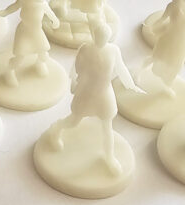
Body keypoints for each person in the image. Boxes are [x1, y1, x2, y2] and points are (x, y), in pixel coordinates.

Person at [46, 19, 141, 175]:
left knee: (107, 126)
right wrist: (74, 82)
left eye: (104, 37)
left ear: (108, 37)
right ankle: (56, 129)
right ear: (94, 36)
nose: (101, 40)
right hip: (87, 91)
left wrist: (130, 84)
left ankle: (109, 157)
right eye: (98, 37)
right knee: (74, 121)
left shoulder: (113, 50)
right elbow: (76, 68)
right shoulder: (85, 49)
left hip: (105, 92)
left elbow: (121, 68)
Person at [0, 0, 59, 86]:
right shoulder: (23, 1)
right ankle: (9, 72)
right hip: (24, 31)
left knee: (44, 53)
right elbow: (9, 10)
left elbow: (50, 14)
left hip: (36, 32)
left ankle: (39, 64)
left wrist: (55, 21)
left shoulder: (43, 4)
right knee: (20, 56)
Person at [142, 0, 185, 96]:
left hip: (183, 40)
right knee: (158, 57)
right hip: (170, 37)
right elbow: (162, 19)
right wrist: (151, 27)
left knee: (177, 64)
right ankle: (139, 72)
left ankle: (167, 85)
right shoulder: (173, 6)